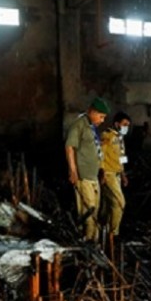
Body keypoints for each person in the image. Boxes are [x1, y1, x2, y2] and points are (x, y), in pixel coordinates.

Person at [65, 97, 110, 241]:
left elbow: (96, 150)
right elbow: (69, 147)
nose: (102, 120)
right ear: (92, 112)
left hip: (93, 176)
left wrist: (101, 170)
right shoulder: (79, 125)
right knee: (88, 211)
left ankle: (95, 242)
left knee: (95, 210)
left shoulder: (92, 127)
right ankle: (89, 242)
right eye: (101, 116)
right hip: (83, 177)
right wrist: (73, 171)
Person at [100, 112, 131, 238]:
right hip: (108, 174)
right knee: (119, 203)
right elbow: (100, 155)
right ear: (117, 124)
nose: (126, 127)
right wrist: (101, 172)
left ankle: (106, 233)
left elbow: (122, 157)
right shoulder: (107, 136)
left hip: (117, 174)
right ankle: (114, 234)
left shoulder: (120, 138)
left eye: (128, 125)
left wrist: (123, 175)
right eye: (124, 124)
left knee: (109, 204)